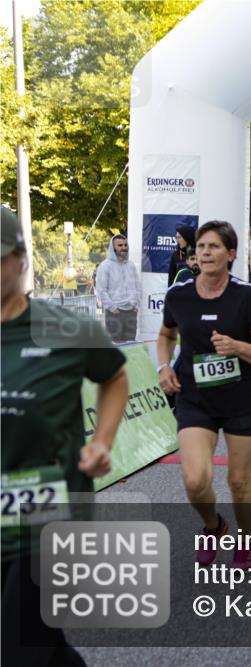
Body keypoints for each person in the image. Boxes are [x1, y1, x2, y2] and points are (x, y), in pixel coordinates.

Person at [1, 205, 129, 666]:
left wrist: (102, 442)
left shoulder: (66, 328)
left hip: (50, 511)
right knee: (40, 646)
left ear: (19, 260)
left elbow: (114, 377)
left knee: (17, 648)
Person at [157, 220, 251, 568]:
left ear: (231, 254)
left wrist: (237, 346)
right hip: (195, 399)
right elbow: (165, 336)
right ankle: (213, 526)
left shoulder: (245, 296)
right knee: (195, 480)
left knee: (239, 482)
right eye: (201, 246)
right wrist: (164, 367)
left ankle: (245, 536)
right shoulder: (178, 295)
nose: (205, 252)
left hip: (243, 400)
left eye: (214, 247)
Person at [96, 233, 141, 343]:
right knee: (116, 346)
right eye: (120, 245)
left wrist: (136, 304)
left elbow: (138, 287)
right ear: (113, 247)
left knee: (131, 345)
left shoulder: (131, 265)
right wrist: (112, 308)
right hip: (115, 313)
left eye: (125, 245)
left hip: (131, 311)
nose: (124, 248)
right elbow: (101, 290)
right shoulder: (105, 266)